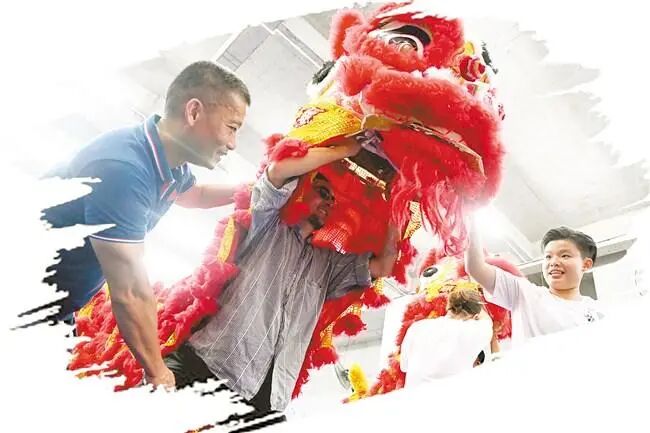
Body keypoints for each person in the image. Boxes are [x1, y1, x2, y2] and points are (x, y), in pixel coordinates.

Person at [34, 61, 250, 389]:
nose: (233, 144)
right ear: (194, 112)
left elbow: (195, 195)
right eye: (232, 127)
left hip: (55, 308)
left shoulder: (169, 164)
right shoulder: (124, 169)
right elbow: (131, 291)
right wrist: (157, 372)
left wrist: (258, 188)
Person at [163, 137, 400, 420]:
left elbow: (384, 265)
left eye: (332, 200)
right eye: (322, 192)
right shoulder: (267, 225)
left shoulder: (327, 264)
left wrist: (399, 200)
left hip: (268, 398)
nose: (328, 203)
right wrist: (347, 149)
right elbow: (277, 170)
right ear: (301, 190)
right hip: (210, 365)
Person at [465, 215, 604, 346]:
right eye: (548, 257)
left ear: (586, 264)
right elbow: (476, 268)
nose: (553, 262)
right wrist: (468, 217)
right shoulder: (524, 293)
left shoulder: (597, 312)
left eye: (565, 256)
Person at [399, 289, 493, 388]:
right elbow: (487, 320)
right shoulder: (474, 332)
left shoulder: (417, 327)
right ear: (475, 316)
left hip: (412, 395)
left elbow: (404, 367)